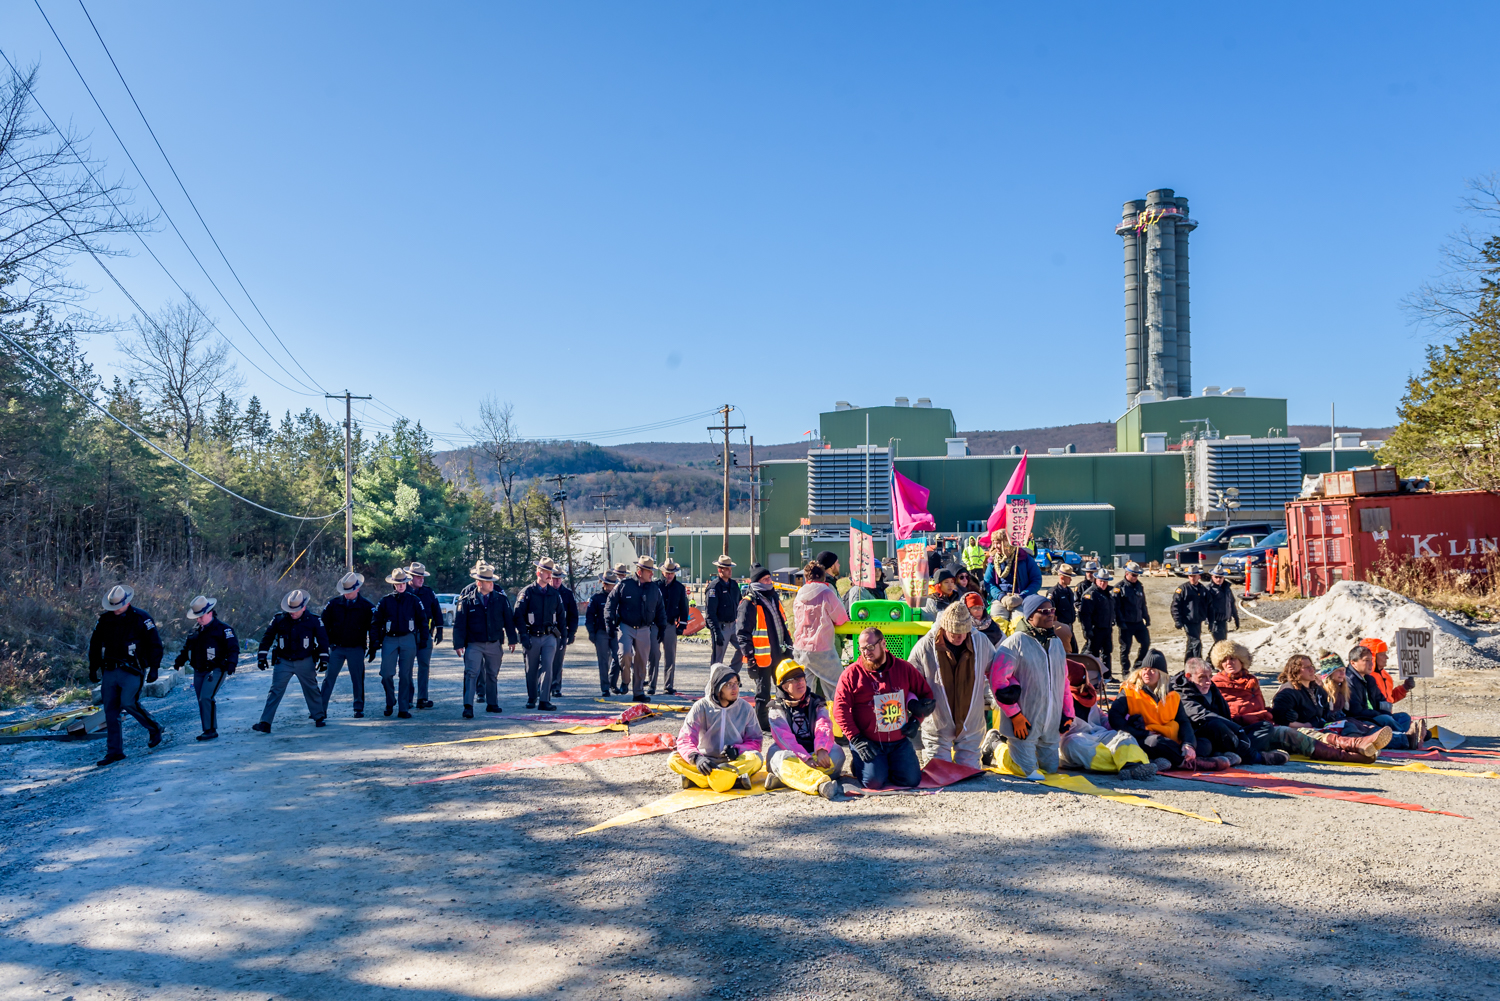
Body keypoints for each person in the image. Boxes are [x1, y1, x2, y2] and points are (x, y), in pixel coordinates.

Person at [1209, 640, 1387, 763]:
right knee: (1304, 734)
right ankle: (1354, 752)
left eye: (1233, 658)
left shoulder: (1252, 681)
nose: (1229, 662)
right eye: (1224, 660)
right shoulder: (1217, 684)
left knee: (1350, 725)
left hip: (1264, 726)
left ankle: (1363, 745)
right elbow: (1231, 713)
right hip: (1245, 731)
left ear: (1242, 660)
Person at [832, 627, 935, 789]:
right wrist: (856, 739)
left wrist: (916, 721)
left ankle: (885, 765)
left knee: (912, 780)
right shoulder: (852, 674)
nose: (866, 652)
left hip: (898, 741)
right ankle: (862, 764)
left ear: (883, 644)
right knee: (873, 782)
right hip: (868, 741)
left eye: (871, 647)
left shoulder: (904, 668)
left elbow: (926, 696)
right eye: (862, 648)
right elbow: (840, 710)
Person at [991, 594, 1072, 780]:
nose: (1050, 615)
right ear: (1029, 616)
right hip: (1024, 723)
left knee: (1050, 771)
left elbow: (1064, 681)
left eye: (1052, 611)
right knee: (1027, 771)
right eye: (1044, 611)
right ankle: (995, 747)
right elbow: (998, 682)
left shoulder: (1056, 642)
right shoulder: (1015, 642)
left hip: (1050, 722)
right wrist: (1015, 715)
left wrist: (1067, 713)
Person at [908, 602, 997, 769]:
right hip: (937, 724)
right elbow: (909, 679)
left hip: (971, 725)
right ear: (944, 628)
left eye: (964, 632)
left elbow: (995, 670)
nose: (960, 637)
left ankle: (993, 744)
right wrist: (913, 703)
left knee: (969, 773)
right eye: (955, 632)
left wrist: (996, 694)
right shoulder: (925, 646)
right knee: (939, 773)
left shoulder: (981, 641)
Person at [88, 584, 164, 766]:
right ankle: (114, 752)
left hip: (132, 668)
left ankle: (154, 728)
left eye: (118, 605)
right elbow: (95, 644)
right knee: (110, 710)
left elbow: (155, 643)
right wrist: (93, 667)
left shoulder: (141, 618)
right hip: (110, 669)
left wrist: (154, 668)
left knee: (128, 703)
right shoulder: (105, 620)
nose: (115, 609)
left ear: (127, 602)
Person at [1272, 654, 1390, 761]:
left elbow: (1325, 712)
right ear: (1295, 671)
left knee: (1348, 725)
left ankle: (1366, 744)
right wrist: (1306, 724)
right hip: (1301, 731)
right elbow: (1282, 722)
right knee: (1331, 733)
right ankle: (1360, 748)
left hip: (1319, 725)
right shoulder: (1288, 692)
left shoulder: (1316, 690)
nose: (1312, 669)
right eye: (1306, 667)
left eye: (1311, 666)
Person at [668, 662, 764, 792]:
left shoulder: (745, 708)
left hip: (734, 762)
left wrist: (738, 750)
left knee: (756, 758)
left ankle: (700, 780)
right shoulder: (701, 707)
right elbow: (686, 739)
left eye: (736, 683)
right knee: (673, 759)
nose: (735, 688)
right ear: (718, 688)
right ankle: (732, 780)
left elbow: (755, 741)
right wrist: (697, 758)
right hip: (705, 762)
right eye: (729, 685)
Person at [1056, 658, 1157, 778]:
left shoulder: (1088, 695)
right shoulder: (1058, 700)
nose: (1085, 683)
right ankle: (1131, 766)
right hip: (1073, 739)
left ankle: (1137, 763)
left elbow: (1102, 719)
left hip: (1098, 733)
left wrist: (1124, 722)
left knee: (1124, 737)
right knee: (1076, 746)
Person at [765, 659, 845, 798]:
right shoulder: (775, 708)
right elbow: (785, 739)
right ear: (784, 686)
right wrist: (805, 758)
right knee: (778, 758)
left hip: (814, 752)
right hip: (792, 754)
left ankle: (788, 779)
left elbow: (823, 726)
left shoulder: (817, 702)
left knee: (838, 753)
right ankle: (819, 784)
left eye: (801, 677)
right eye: (794, 679)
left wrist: (821, 750)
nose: (800, 682)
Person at [1107, 651, 1199, 771]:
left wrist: (1188, 744)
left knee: (1203, 743)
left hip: (1171, 737)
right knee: (1156, 743)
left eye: (1152, 670)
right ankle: (1192, 763)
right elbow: (1114, 717)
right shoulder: (1129, 691)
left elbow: (1183, 721)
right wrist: (1142, 733)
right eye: (1144, 669)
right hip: (1144, 737)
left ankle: (1164, 760)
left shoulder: (1173, 695)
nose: (1146, 673)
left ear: (1161, 674)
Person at [254, 589, 330, 732]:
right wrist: (262, 656)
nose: (292, 613)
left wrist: (324, 658)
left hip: (305, 660)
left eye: (295, 610)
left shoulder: (313, 620)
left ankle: (319, 716)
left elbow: (323, 640)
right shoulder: (279, 619)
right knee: (275, 690)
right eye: (290, 610)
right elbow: (267, 637)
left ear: (304, 607)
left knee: (311, 689)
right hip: (284, 661)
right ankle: (265, 722)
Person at [452, 563, 518, 718]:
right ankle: (468, 706)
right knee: (471, 673)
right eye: (489, 582)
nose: (492, 584)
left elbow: (508, 619)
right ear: (479, 583)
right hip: (474, 643)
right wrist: (458, 644)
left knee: (492, 674)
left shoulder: (500, 599)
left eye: (492, 581)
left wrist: (512, 639)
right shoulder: (467, 600)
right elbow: (460, 624)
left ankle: (492, 704)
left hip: (494, 643)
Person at [173, 595, 239, 741]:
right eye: (196, 617)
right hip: (199, 670)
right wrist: (180, 661)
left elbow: (233, 648)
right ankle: (209, 728)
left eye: (201, 616)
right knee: (202, 699)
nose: (198, 620)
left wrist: (231, 663)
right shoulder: (195, 631)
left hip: (216, 669)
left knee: (206, 697)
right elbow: (186, 649)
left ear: (210, 612)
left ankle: (210, 730)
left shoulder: (223, 629)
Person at [734, 565, 792, 729]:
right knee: (763, 693)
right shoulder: (749, 603)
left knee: (785, 689)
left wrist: (789, 647)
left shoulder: (773, 597)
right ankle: (762, 725)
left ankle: (784, 720)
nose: (770, 581)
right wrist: (750, 658)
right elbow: (743, 633)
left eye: (769, 578)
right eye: (766, 579)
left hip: (780, 654)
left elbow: (783, 624)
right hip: (762, 658)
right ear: (757, 581)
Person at [369, 568, 430, 718]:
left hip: (408, 639)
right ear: (393, 584)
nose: (401, 586)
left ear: (406, 583)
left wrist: (423, 639)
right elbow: (375, 622)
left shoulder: (414, 600)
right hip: (389, 639)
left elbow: (423, 621)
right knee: (386, 673)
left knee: (405, 674)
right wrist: (374, 642)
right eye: (398, 583)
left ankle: (404, 708)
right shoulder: (385, 601)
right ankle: (390, 700)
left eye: (403, 582)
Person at [605, 555, 666, 704]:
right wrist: (609, 623)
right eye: (649, 571)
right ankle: (625, 680)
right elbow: (610, 603)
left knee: (641, 662)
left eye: (652, 570)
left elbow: (660, 609)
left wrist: (662, 627)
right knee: (625, 653)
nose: (652, 573)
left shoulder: (654, 589)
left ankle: (638, 692)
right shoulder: (624, 585)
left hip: (645, 629)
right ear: (640, 571)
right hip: (626, 626)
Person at [1169, 658, 1246, 767]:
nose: (1208, 681)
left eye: (1210, 676)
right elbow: (1201, 715)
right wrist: (1237, 729)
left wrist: (1237, 729)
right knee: (1208, 742)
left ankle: (1228, 753)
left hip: (1221, 733)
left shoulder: (1212, 688)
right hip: (1195, 734)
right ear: (1188, 676)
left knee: (1264, 727)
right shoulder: (1180, 692)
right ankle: (1253, 756)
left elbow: (1225, 714)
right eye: (1202, 677)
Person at [1345, 643, 1422, 749]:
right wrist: (1380, 714)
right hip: (1361, 719)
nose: (1371, 664)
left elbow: (1382, 701)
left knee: (1403, 717)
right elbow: (1356, 711)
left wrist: (1404, 688)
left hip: (1375, 715)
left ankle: (1405, 736)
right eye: (1366, 660)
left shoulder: (1370, 679)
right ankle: (1406, 738)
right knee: (1386, 720)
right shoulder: (1349, 681)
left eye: (1371, 660)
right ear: (1353, 663)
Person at [791, 560, 850, 697]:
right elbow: (841, 618)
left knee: (803, 690)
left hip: (800, 648)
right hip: (822, 649)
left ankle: (805, 717)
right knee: (837, 687)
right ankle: (836, 717)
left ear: (806, 578)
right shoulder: (826, 593)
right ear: (823, 577)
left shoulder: (799, 595)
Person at [320, 571, 374, 718]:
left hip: (356, 647)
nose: (346, 594)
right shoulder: (333, 604)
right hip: (336, 647)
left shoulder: (367, 606)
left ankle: (358, 707)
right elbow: (322, 625)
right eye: (345, 591)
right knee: (329, 678)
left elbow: (374, 627)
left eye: (349, 591)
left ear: (357, 589)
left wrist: (374, 645)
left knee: (357, 678)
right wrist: (323, 646)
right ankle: (320, 709)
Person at [516, 558, 567, 710]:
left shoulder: (554, 594)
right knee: (531, 669)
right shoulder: (527, 593)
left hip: (549, 637)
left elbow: (561, 616)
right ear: (539, 573)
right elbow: (518, 615)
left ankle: (544, 700)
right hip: (532, 636)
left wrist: (563, 637)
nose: (550, 575)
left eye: (551, 572)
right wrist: (523, 635)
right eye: (547, 572)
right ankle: (532, 697)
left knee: (547, 667)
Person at [405, 562, 444, 710]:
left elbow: (437, 611)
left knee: (424, 666)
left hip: (425, 635)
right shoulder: (404, 591)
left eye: (423, 577)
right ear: (410, 577)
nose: (421, 580)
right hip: (408, 635)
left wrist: (439, 629)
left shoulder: (428, 592)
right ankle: (408, 698)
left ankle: (422, 698)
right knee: (406, 667)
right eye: (418, 577)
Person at [1360, 637, 1417, 730]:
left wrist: (1404, 688)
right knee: (1388, 720)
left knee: (1404, 717)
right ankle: (1403, 736)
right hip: (1372, 718)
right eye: (1382, 655)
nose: (1387, 657)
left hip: (1386, 715)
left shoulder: (1385, 675)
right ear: (1373, 657)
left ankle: (1401, 735)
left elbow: (1390, 699)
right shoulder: (1366, 677)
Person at [653, 559, 689, 696]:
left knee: (670, 657)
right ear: (662, 572)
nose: (669, 575)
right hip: (655, 625)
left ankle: (668, 685)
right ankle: (652, 684)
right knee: (653, 655)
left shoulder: (679, 588)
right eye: (667, 572)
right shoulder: (655, 586)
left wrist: (682, 626)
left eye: (672, 573)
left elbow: (684, 608)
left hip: (670, 625)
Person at [1077, 568, 1117, 680]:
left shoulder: (1107, 593)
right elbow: (1085, 615)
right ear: (1096, 580)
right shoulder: (1090, 594)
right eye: (1101, 581)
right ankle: (1093, 677)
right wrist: (1087, 630)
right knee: (1093, 654)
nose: (1103, 583)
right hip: (1096, 630)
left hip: (1107, 628)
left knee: (1107, 652)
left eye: (1105, 581)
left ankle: (1107, 675)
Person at [703, 555, 741, 667]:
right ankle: (716, 681)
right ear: (720, 570)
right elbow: (710, 613)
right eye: (727, 568)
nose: (730, 571)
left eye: (730, 568)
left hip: (734, 625)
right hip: (720, 626)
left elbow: (740, 604)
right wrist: (716, 632)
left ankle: (731, 676)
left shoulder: (734, 585)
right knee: (717, 660)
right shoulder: (714, 588)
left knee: (743, 649)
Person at [1113, 562, 1151, 671]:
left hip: (1138, 622)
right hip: (1126, 623)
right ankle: (1125, 670)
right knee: (1125, 648)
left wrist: (1146, 617)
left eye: (1137, 575)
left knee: (1146, 643)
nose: (1135, 577)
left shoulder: (1139, 586)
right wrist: (1120, 622)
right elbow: (1116, 607)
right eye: (1133, 575)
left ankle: (1138, 665)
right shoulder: (1119, 588)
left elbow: (1142, 603)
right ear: (1127, 574)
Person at [586, 573, 619, 697]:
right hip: (601, 632)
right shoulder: (596, 598)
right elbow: (589, 617)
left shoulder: (617, 597)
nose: (613, 587)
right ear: (604, 584)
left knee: (618, 658)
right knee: (603, 661)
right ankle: (605, 687)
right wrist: (591, 633)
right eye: (611, 584)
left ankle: (612, 682)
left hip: (615, 631)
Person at [549, 567, 579, 699]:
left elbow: (573, 615)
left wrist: (571, 632)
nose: (557, 581)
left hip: (560, 632)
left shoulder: (567, 594)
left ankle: (556, 687)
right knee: (543, 661)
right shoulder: (545, 591)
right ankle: (541, 686)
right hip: (545, 631)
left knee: (557, 661)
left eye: (559, 578)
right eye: (555, 578)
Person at [1171, 567, 1210, 661]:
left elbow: (1208, 604)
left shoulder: (1202, 589)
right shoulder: (1182, 589)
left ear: (1199, 576)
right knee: (1196, 642)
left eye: (1194, 576)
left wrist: (1208, 618)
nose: (1192, 578)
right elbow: (1175, 606)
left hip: (1198, 620)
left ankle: (1188, 663)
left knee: (1191, 644)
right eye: (1190, 576)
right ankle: (1199, 663)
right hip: (1187, 621)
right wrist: (1177, 620)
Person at [1049, 565, 1079, 653]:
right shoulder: (1054, 593)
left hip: (1069, 626)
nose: (1071, 579)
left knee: (1074, 651)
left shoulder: (1069, 592)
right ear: (1062, 577)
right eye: (1069, 577)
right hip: (1059, 628)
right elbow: (1050, 611)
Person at [1205, 567, 1240, 643]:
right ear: (1212, 577)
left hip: (1224, 620)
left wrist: (1236, 617)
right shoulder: (1209, 590)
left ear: (1223, 577)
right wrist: (1210, 621)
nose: (1218, 579)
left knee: (1222, 641)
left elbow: (1231, 602)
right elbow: (1205, 607)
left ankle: (1210, 655)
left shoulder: (1227, 588)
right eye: (1216, 577)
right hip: (1215, 621)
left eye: (1220, 577)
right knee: (1220, 643)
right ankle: (1210, 655)